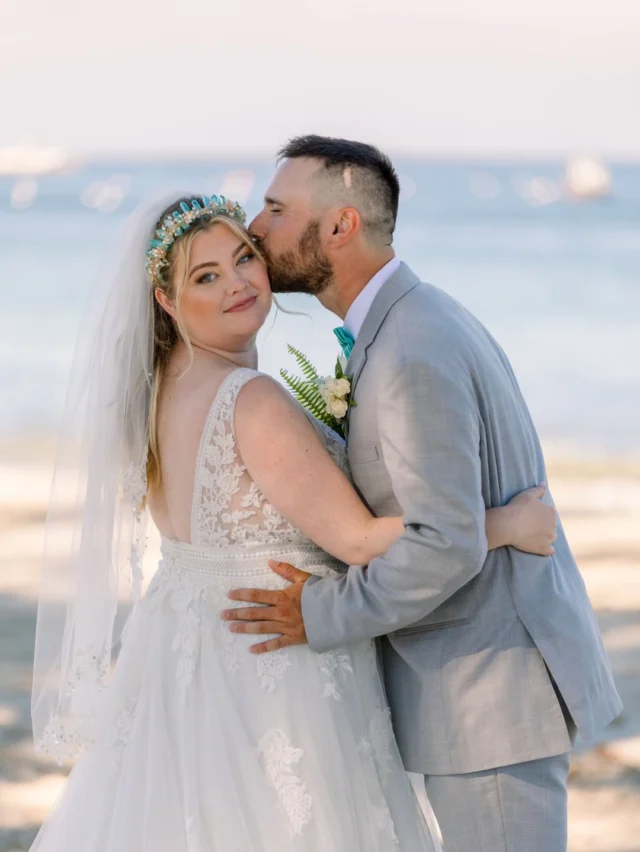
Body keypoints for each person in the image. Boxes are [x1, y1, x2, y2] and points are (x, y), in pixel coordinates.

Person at [29, 191, 557, 852]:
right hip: (275, 672)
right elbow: (361, 541)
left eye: (243, 258)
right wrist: (506, 523)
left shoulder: (160, 394)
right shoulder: (250, 400)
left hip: (182, 656)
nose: (238, 284)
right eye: (206, 276)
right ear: (166, 302)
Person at [227, 135, 623, 852]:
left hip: (489, 702)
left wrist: (319, 613)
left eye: (277, 208)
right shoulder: (408, 322)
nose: (256, 227)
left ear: (340, 226)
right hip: (481, 696)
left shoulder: (409, 348)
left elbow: (444, 545)